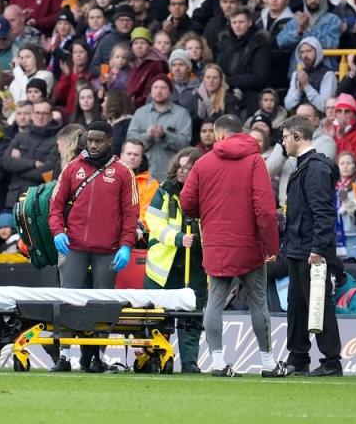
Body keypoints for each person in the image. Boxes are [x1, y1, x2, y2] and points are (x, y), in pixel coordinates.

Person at [180, 115, 286, 378]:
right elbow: (265, 209)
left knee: (214, 301)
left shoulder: (203, 163)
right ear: (241, 133)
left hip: (216, 240)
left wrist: (208, 214)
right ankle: (268, 363)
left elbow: (187, 203)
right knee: (258, 302)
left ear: (219, 135)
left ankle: (217, 362)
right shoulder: (254, 161)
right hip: (249, 243)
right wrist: (271, 245)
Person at [48, 121, 139, 373]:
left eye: (99, 140)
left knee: (103, 303)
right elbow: (55, 206)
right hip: (74, 246)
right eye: (90, 140)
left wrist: (126, 246)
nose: (94, 145)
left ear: (110, 141)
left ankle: (98, 355)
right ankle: (64, 356)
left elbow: (131, 214)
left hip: (108, 249)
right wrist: (57, 232)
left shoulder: (123, 172)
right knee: (67, 299)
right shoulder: (72, 169)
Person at [280, 115, 343, 377]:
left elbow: (323, 213)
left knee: (318, 304)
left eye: (284, 137)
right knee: (297, 304)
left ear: (297, 136)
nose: (282, 142)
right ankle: (298, 357)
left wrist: (318, 248)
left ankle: (331, 361)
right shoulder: (304, 167)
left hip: (310, 251)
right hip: (297, 248)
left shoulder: (315, 168)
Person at [144, 148, 207, 373]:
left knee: (192, 316)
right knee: (156, 317)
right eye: (181, 166)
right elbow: (154, 224)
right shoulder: (164, 191)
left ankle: (190, 361)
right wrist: (178, 238)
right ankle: (155, 357)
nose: (183, 172)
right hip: (163, 268)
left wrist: (201, 238)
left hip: (197, 264)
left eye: (189, 168)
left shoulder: (207, 193)